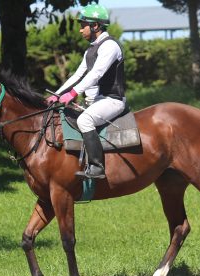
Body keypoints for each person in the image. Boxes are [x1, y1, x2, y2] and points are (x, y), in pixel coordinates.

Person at [47, 4, 126, 179]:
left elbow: (96, 74)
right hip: (97, 101)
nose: (80, 30)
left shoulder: (110, 46)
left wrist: (73, 94)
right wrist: (57, 94)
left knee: (85, 120)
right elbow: (77, 75)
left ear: (95, 26)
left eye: (83, 25)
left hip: (113, 100)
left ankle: (97, 167)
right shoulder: (90, 49)